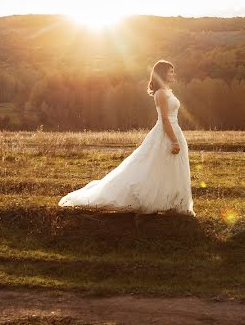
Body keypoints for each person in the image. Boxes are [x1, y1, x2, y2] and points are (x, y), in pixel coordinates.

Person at [59, 60, 194, 215]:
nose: (173, 74)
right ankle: (159, 201)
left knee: (171, 167)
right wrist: (174, 140)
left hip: (174, 129)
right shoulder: (161, 93)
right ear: (163, 73)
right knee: (154, 168)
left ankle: (175, 203)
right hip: (166, 133)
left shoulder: (167, 91)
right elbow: (164, 119)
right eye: (170, 71)